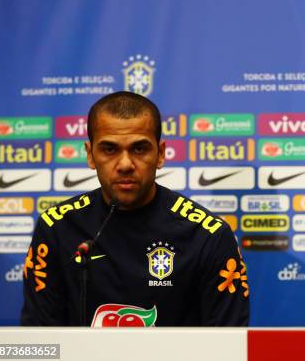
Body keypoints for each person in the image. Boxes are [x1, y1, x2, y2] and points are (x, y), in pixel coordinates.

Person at [21, 91, 249, 326]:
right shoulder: (56, 228)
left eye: (139, 149)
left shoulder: (208, 235)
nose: (125, 164)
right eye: (109, 149)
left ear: (160, 154)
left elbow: (229, 345)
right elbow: (37, 340)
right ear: (90, 155)